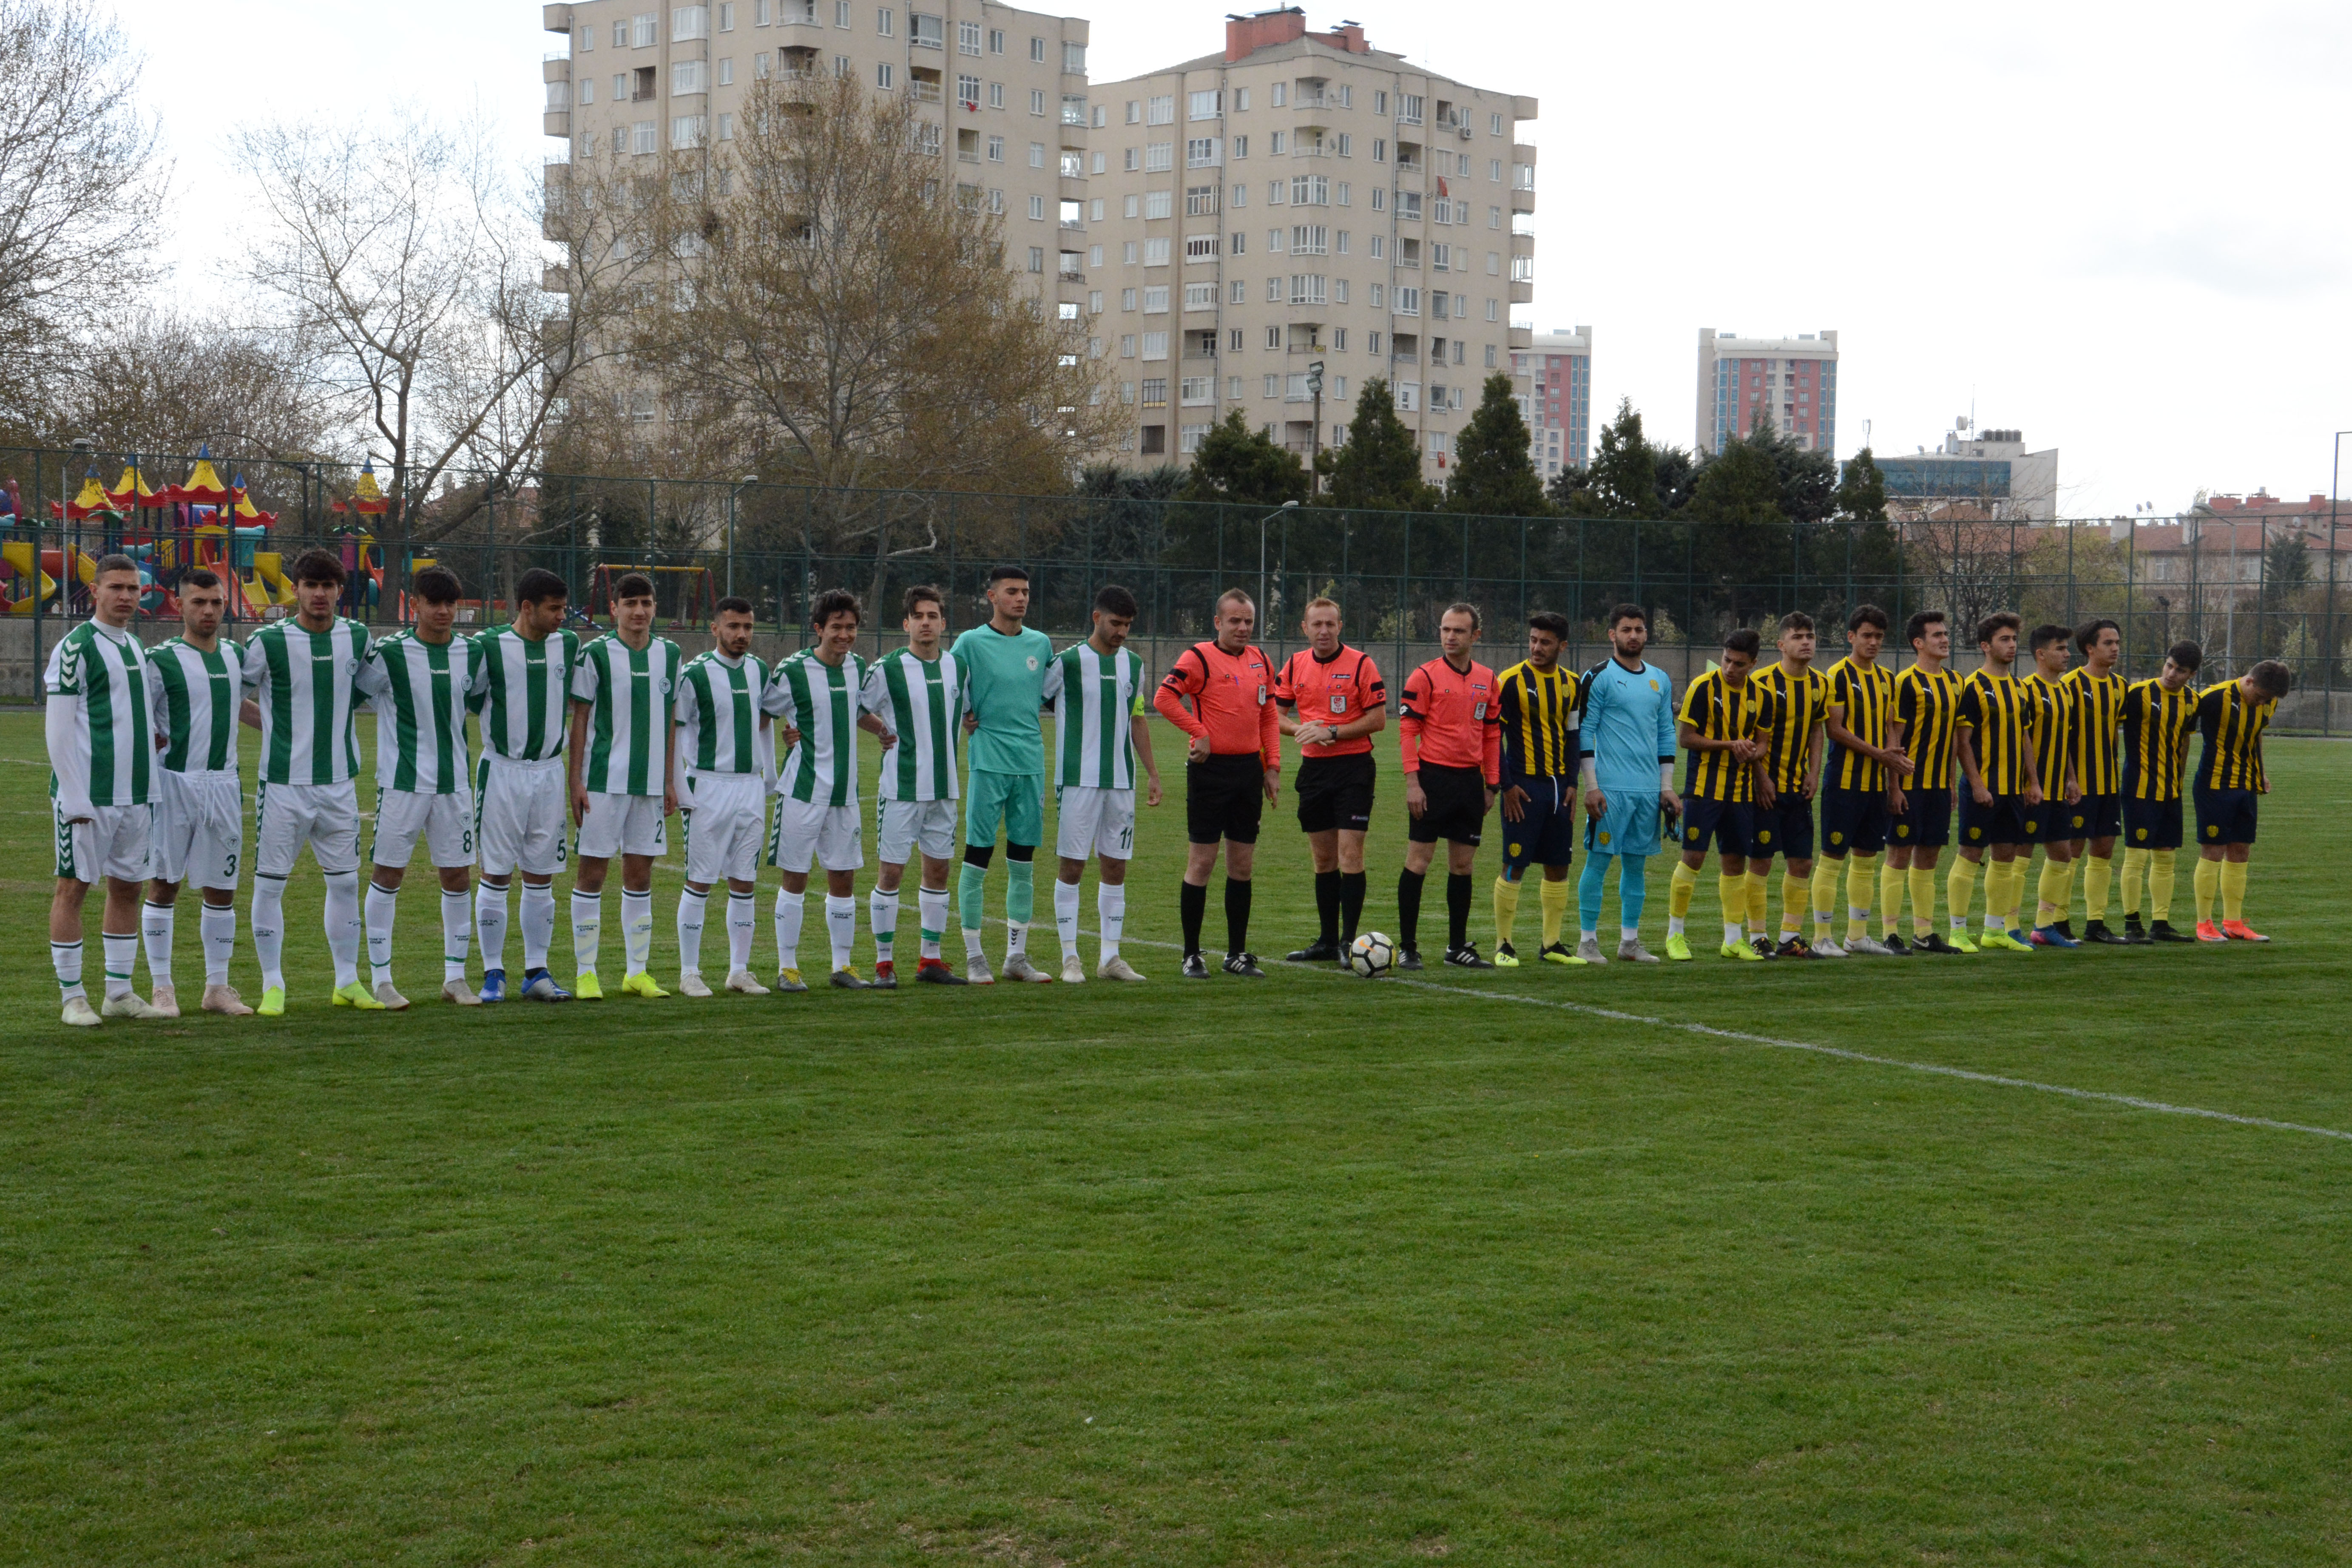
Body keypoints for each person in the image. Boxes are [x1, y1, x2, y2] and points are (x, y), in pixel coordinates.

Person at [360, 565, 487, 1008]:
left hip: (454, 785)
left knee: (457, 875)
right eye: (434, 602)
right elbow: (354, 695)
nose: (444, 611)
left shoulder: (471, 654)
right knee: (388, 874)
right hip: (402, 783)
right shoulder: (389, 654)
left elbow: (478, 701)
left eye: (451, 603)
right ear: (415, 604)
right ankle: (382, 979)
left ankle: (455, 977)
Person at [47, 554, 164, 1026]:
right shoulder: (75, 647)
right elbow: (57, 729)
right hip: (89, 795)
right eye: (116, 587)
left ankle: (118, 991)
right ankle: (73, 996)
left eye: (134, 589)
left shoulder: (135, 645)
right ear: (93, 591)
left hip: (136, 794)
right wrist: (73, 795)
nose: (126, 597)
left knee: (128, 888)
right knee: (73, 888)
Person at [467, 567, 583, 1003]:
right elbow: (473, 698)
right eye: (553, 609)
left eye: (563, 608)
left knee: (542, 875)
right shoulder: (488, 646)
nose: (561, 617)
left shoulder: (567, 644)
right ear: (527, 607)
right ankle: (493, 972)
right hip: (502, 772)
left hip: (549, 773)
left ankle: (537, 970)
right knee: (495, 872)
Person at [142, 568, 253, 1016]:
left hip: (224, 784)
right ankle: (162, 987)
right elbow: (141, 718)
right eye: (199, 602)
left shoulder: (236, 655)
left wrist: (282, 727)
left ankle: (217, 988)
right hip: (174, 784)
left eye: (216, 603)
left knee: (221, 888)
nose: (208, 610)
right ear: (179, 604)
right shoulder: (160, 659)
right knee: (164, 884)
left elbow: (232, 702)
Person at [567, 571, 682, 998]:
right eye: (630, 603)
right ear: (614, 608)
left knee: (640, 875)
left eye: (646, 603)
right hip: (603, 783)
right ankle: (586, 971)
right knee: (592, 873)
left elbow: (670, 719)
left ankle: (637, 971)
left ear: (654, 608)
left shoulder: (670, 655)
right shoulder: (595, 654)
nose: (639, 611)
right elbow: (579, 718)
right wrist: (575, 780)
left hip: (650, 786)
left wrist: (669, 779)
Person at [1155, 588, 1281, 977]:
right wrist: (1199, 731)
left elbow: (1269, 715)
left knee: (1242, 866)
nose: (1242, 628)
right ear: (1218, 622)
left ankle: (1236, 954)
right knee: (1202, 863)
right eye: (1235, 621)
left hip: (1248, 772)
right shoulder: (1198, 657)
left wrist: (1272, 766)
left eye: (1248, 622)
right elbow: (1164, 698)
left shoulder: (1261, 660)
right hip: (1210, 772)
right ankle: (1191, 954)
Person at [767, 589, 889, 989]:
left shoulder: (856, 666)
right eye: (836, 627)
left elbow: (854, 709)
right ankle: (788, 968)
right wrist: (786, 735)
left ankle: (842, 966)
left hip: (846, 795)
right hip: (803, 792)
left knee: (844, 879)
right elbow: (762, 710)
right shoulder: (792, 670)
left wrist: (884, 731)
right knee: (795, 879)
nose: (845, 635)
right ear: (818, 629)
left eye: (851, 627)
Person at [1045, 584, 1162, 982]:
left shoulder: (1134, 664)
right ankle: (1069, 957)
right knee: (1073, 866)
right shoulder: (1068, 662)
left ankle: (1110, 957)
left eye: (1128, 625)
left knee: (1115, 865)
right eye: (1116, 623)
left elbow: (1137, 719)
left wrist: (1152, 773)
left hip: (1121, 782)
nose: (1122, 632)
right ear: (1096, 618)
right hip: (1077, 780)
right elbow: (1032, 702)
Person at [951, 565, 1057, 983]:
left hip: (1030, 764)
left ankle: (1017, 956)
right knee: (977, 857)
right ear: (991, 597)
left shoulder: (1041, 644)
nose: (1021, 598)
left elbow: (1050, 691)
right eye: (1012, 591)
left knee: (1023, 863)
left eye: (1026, 592)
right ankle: (975, 956)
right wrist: (964, 715)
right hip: (988, 762)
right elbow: (949, 686)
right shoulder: (970, 643)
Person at [862, 585, 966, 986]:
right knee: (890, 875)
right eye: (919, 617)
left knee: (938, 872)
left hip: (945, 790)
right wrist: (883, 730)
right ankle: (884, 964)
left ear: (943, 623)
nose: (926, 623)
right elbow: (855, 706)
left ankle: (931, 961)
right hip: (901, 789)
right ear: (907, 623)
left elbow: (969, 713)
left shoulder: (958, 667)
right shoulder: (887, 668)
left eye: (933, 616)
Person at [1273, 597, 1386, 963]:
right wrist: (1299, 730)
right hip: (1314, 772)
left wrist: (1333, 733)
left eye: (1330, 624)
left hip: (1354, 769)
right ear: (1304, 628)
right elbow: (1275, 716)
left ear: (1340, 626)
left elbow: (1378, 719)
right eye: (1316, 625)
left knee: (1350, 855)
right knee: (1323, 861)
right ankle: (1325, 941)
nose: (1323, 631)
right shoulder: (1294, 664)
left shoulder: (1362, 664)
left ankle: (1349, 943)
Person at [673, 596, 776, 995]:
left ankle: (738, 970)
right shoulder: (696, 674)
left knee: (745, 881)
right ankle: (689, 972)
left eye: (748, 627)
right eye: (733, 627)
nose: (742, 635)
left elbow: (765, 720)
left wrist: (771, 773)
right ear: (715, 629)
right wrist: (680, 788)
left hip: (749, 788)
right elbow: (677, 729)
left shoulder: (758, 670)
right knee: (700, 880)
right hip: (708, 787)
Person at [1396, 602, 1504, 970]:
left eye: (1458, 631)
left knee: (1463, 866)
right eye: (1445, 630)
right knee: (1419, 862)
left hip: (1470, 784)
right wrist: (1413, 783)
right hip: (1433, 780)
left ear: (1476, 636)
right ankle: (1408, 946)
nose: (1450, 637)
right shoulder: (1424, 677)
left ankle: (1457, 947)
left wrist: (1492, 784)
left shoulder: (1489, 680)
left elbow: (1492, 733)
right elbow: (1408, 731)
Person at [1575, 603, 1678, 964]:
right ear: (1612, 635)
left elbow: (1666, 732)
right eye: (1626, 630)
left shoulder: (1660, 679)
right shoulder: (1598, 676)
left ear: (1647, 634)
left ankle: (1629, 943)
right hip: (1610, 790)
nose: (1633, 635)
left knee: (1636, 866)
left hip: (1648, 791)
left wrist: (1666, 787)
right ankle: (1588, 942)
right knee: (1599, 862)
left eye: (1639, 629)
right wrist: (1592, 785)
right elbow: (1584, 730)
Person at [1667, 627, 1775, 962]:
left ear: (1754, 663)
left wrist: (1752, 752)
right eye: (1727, 660)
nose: (1730, 668)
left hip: (1741, 792)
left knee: (1735, 861)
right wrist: (1730, 745)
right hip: (1703, 789)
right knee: (1694, 858)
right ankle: (1675, 935)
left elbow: (1763, 744)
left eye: (1739, 664)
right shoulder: (1703, 687)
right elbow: (1685, 738)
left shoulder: (1762, 697)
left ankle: (1732, 939)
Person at [1950, 612, 2044, 953]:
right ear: (1985, 646)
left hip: (2013, 791)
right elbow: (1963, 741)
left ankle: (1994, 930)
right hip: (1984, 788)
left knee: (2005, 858)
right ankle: (1957, 931)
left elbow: (2025, 739)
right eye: (2005, 640)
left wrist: (2033, 782)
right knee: (1969, 856)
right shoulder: (1973, 686)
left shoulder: (2020, 689)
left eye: (2014, 639)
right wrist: (1976, 785)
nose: (2012, 646)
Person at [1491, 611, 1581, 966]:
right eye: (1532, 640)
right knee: (1514, 864)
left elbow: (1573, 736)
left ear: (1562, 646)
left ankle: (1552, 944)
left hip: (1559, 788)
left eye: (1545, 642)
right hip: (1523, 786)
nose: (1536, 647)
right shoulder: (1510, 681)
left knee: (1559, 865)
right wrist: (1507, 786)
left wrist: (1573, 782)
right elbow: (1491, 738)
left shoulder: (1573, 684)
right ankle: (1503, 945)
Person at [1814, 605, 1903, 957]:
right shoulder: (1836, 674)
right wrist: (1878, 754)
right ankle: (1822, 937)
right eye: (1867, 635)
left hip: (1875, 786)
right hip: (1844, 781)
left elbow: (1891, 732)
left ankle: (1858, 935)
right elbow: (1834, 728)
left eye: (1879, 637)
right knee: (1832, 857)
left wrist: (1893, 786)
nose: (1874, 642)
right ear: (1851, 637)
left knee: (1866, 860)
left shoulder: (1886, 679)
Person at [2190, 658, 2291, 942]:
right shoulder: (2213, 698)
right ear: (2249, 681)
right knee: (2213, 851)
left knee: (2241, 851)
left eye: (2268, 700)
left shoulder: (2268, 702)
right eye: (2260, 697)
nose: (2263, 703)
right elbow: (2181, 728)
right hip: (2214, 786)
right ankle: (2203, 924)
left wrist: (2262, 773)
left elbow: (2256, 736)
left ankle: (2234, 923)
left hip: (2246, 786)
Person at [1750, 612, 1830, 957]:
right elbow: (1749, 734)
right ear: (1781, 644)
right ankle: (1756, 938)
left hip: (1798, 788)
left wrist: (1814, 773)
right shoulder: (1762, 682)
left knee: (1802, 863)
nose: (1806, 642)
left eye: (1810, 636)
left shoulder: (1820, 684)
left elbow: (1817, 730)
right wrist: (1760, 778)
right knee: (1762, 861)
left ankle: (1789, 937)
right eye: (1798, 637)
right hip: (1765, 787)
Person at [1884, 610, 1965, 954]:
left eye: (1946, 634)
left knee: (1929, 858)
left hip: (1937, 787)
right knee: (1899, 856)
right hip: (1910, 785)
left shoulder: (1955, 682)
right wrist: (1894, 788)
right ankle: (1889, 933)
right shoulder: (1905, 682)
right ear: (1919, 643)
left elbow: (1953, 740)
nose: (1945, 639)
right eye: (1937, 635)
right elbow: (1894, 738)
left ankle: (1924, 932)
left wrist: (1950, 783)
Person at [2118, 642, 2203, 943]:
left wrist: (2178, 780)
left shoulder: (2192, 701)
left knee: (2166, 857)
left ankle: (2161, 923)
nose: (2171, 673)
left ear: (2191, 675)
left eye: (2180, 671)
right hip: (2139, 787)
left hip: (2170, 790)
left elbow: (2183, 741)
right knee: (2136, 857)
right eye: (2169, 666)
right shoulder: (2138, 694)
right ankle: (2131, 924)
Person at [2060, 619, 2128, 943]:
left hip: (2108, 784)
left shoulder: (2120, 686)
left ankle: (2095, 924)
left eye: (2117, 642)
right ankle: (2057, 920)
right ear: (2090, 648)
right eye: (2108, 643)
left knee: (2103, 851)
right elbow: (2063, 737)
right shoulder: (2070, 684)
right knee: (2069, 852)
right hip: (2078, 785)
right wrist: (2068, 779)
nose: (2115, 648)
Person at [2023, 624, 2084, 947]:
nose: (2066, 654)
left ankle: (2043, 926)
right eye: (2060, 649)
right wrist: (2031, 782)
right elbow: (2022, 740)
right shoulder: (2026, 690)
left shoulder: (2064, 691)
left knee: (2062, 855)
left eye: (2066, 648)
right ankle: (2007, 927)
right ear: (2041, 654)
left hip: (2057, 787)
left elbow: (2066, 740)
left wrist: (2071, 778)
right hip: (2031, 788)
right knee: (2019, 857)